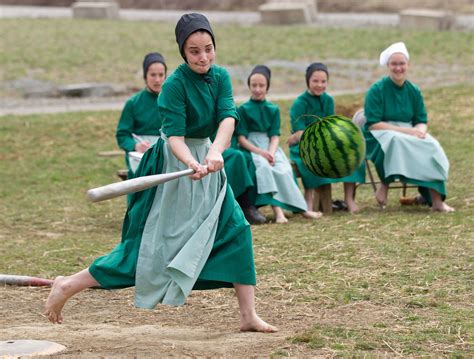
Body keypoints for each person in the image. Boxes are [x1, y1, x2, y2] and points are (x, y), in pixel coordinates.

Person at [44, 13, 277, 333]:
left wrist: (213, 152)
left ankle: (247, 315)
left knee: (236, 229)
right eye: (194, 51)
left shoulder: (220, 76)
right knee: (150, 248)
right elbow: (175, 137)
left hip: (208, 159)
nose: (203, 57)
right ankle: (68, 285)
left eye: (208, 48)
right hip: (173, 161)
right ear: (183, 51)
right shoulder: (173, 86)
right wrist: (191, 163)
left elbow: (227, 118)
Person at [363, 41, 454, 212]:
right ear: (388, 66)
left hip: (409, 131)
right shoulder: (377, 90)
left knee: (431, 145)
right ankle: (385, 183)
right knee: (395, 141)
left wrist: (420, 132)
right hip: (380, 133)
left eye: (401, 64)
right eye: (394, 64)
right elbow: (373, 124)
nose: (398, 68)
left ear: (408, 65)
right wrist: (407, 132)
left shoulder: (413, 91)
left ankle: (436, 200)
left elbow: (421, 119)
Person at [236, 65, 322, 224]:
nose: (257, 89)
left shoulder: (273, 109)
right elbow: (241, 138)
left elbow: (274, 136)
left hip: (270, 146)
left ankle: (302, 209)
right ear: (249, 86)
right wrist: (261, 153)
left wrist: (271, 151)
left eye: (261, 85)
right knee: (264, 167)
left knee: (283, 168)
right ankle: (278, 212)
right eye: (254, 85)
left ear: (267, 87)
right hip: (252, 148)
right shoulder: (243, 109)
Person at [287, 63, 365, 213]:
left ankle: (349, 198)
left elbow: (330, 126)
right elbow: (298, 133)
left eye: (323, 82)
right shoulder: (299, 103)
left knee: (351, 156)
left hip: (325, 142)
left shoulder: (328, 100)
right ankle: (308, 200)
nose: (319, 85)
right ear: (308, 81)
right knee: (312, 159)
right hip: (304, 145)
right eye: (315, 81)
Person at [116, 52, 167, 177]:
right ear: (145, 76)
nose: (157, 80)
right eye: (153, 75)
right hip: (140, 160)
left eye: (161, 75)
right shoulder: (133, 103)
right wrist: (135, 146)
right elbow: (122, 135)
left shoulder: (172, 101)